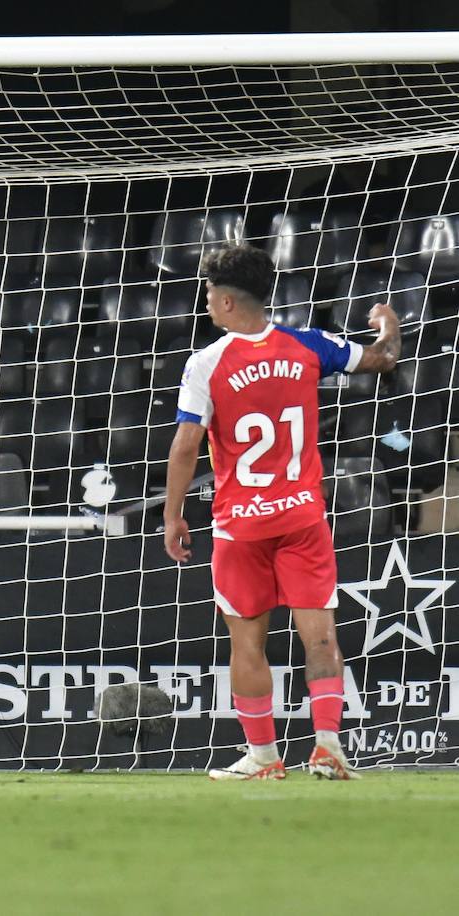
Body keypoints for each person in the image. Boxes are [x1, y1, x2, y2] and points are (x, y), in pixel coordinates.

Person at [163, 243, 399, 780]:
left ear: (226, 302)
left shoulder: (207, 363)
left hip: (240, 525)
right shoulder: (309, 344)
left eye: (208, 293)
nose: (206, 301)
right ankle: (329, 748)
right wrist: (390, 324)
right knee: (320, 635)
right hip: (302, 518)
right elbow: (382, 358)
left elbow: (185, 445)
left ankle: (264, 758)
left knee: (247, 642)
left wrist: (173, 515)